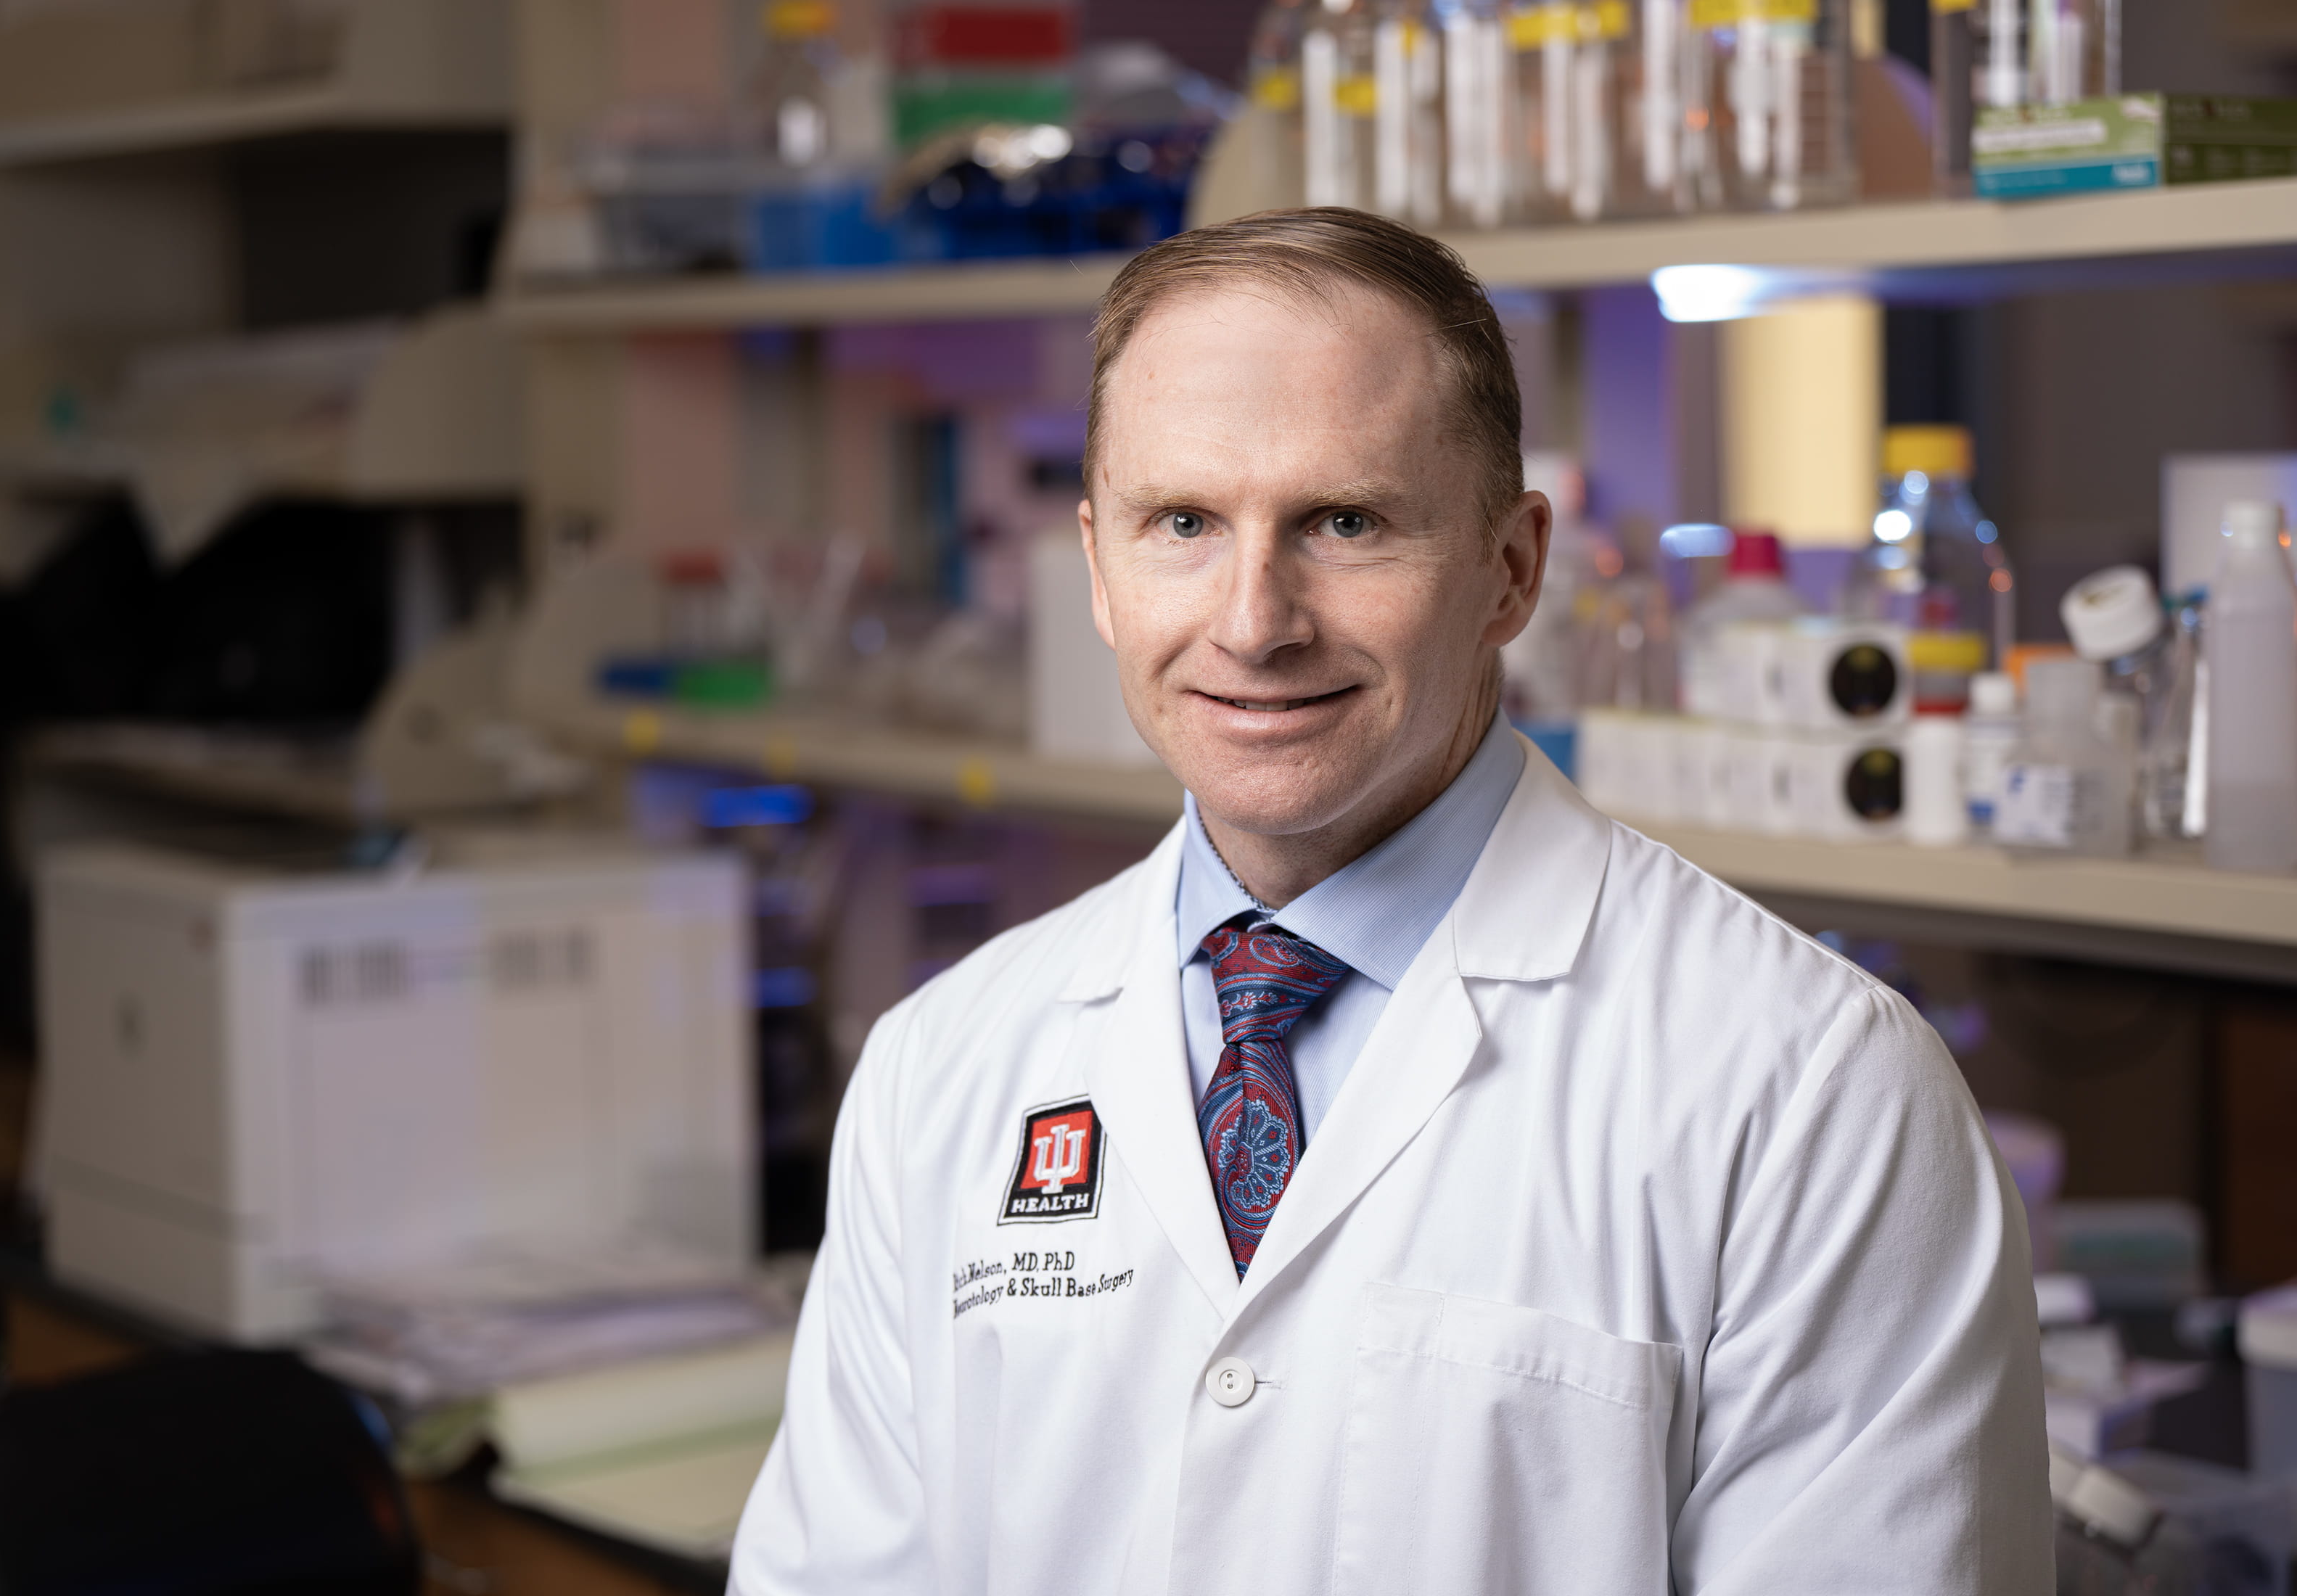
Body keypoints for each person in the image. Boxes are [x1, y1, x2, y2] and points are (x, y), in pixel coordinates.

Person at [730, 208, 2051, 1595]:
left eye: (1345, 522)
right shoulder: (943, 1064)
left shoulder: (1811, 1092)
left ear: (1512, 568)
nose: (1254, 621)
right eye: (1182, 521)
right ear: (1099, 569)